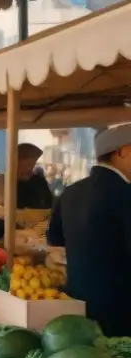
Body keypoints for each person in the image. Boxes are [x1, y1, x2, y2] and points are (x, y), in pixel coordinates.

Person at [47, 125, 131, 336]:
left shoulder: (71, 192)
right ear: (122, 152)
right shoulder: (126, 194)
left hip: (78, 301)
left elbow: (55, 238)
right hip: (121, 308)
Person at [0, 143, 54, 209]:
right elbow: (2, 204)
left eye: (31, 166)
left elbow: (48, 204)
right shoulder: (3, 181)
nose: (30, 170)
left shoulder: (38, 181)